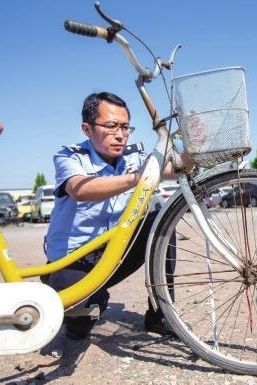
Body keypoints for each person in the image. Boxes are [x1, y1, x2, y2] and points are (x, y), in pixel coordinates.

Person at [44, 92, 180, 340]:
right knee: (81, 326)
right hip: (74, 260)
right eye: (111, 126)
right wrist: (135, 179)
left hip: (112, 255)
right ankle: (72, 301)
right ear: (87, 128)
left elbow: (175, 169)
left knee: (160, 222)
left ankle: (161, 314)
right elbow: (80, 189)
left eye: (125, 127)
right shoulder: (70, 156)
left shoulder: (132, 156)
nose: (120, 134)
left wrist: (199, 148)